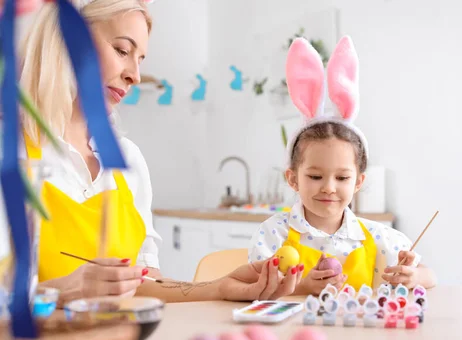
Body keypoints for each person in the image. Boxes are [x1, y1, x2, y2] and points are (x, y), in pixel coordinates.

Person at [2, 0, 302, 306]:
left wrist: (219, 287)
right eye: (122, 50)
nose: (134, 75)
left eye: (140, 59)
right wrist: (65, 291)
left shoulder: (127, 161)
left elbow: (145, 284)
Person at [249, 36, 436, 295]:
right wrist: (302, 286)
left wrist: (413, 276)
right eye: (315, 176)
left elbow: (430, 275)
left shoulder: (378, 237)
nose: (328, 187)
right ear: (293, 179)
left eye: (342, 178)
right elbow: (253, 290)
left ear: (358, 181)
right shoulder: (273, 234)